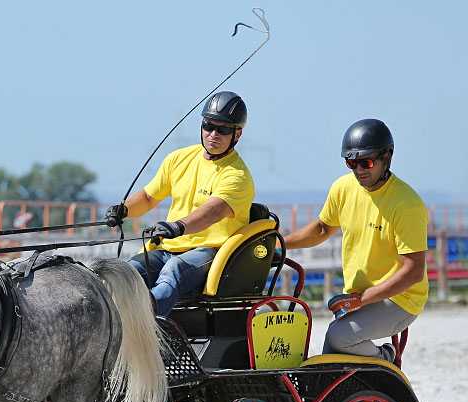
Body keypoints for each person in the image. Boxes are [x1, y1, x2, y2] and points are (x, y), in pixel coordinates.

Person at [283, 119, 428, 363]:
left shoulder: (406, 204)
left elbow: (413, 273)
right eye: (351, 163)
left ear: (387, 158)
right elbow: (321, 229)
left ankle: (385, 358)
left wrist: (360, 299)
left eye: (366, 162)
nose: (359, 170)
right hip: (361, 297)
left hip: (400, 299)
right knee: (331, 353)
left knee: (339, 338)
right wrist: (279, 245)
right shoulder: (343, 187)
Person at [105, 91, 255, 316]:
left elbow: (213, 211)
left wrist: (177, 226)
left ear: (237, 134)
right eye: (208, 126)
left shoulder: (237, 175)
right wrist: (124, 209)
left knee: (173, 270)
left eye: (223, 129)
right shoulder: (178, 159)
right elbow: (147, 198)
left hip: (209, 253)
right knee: (126, 273)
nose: (213, 134)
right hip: (168, 248)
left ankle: (147, 328)